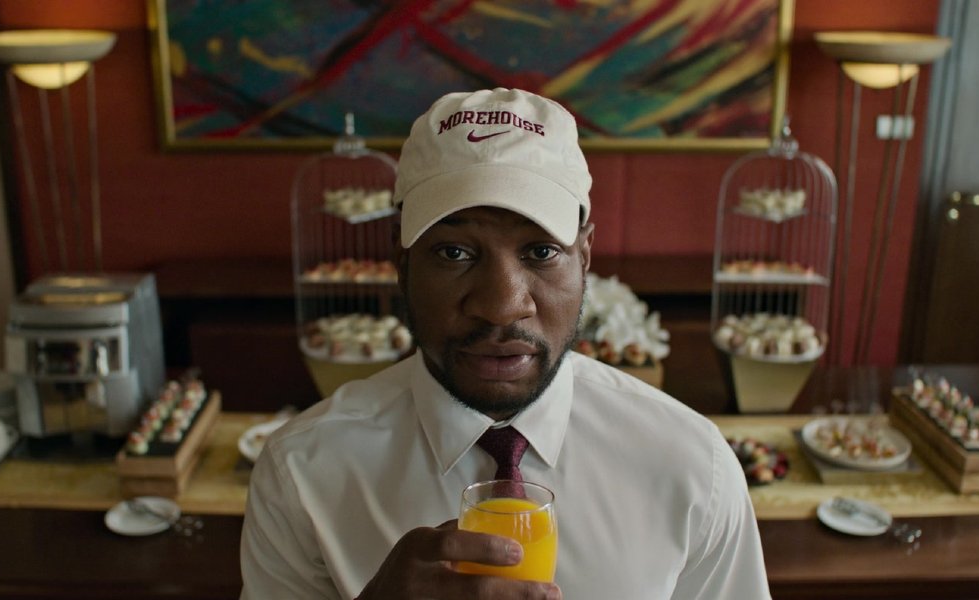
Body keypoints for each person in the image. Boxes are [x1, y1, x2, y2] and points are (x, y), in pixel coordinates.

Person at [240, 88, 771, 599]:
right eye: (453, 253)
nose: (500, 305)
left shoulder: (692, 466)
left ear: (584, 255)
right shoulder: (302, 472)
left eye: (540, 251)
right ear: (401, 261)